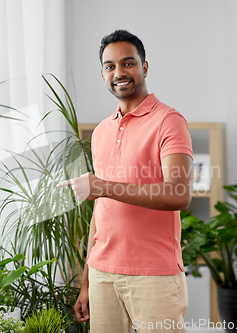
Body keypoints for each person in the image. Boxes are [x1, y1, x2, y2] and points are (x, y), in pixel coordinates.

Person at [57, 29, 193, 333]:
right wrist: (87, 281)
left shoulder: (168, 121)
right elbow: (101, 209)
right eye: (110, 66)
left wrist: (102, 187)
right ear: (103, 74)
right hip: (103, 273)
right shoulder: (101, 132)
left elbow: (179, 194)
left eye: (128, 63)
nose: (119, 72)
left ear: (145, 67)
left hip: (154, 275)